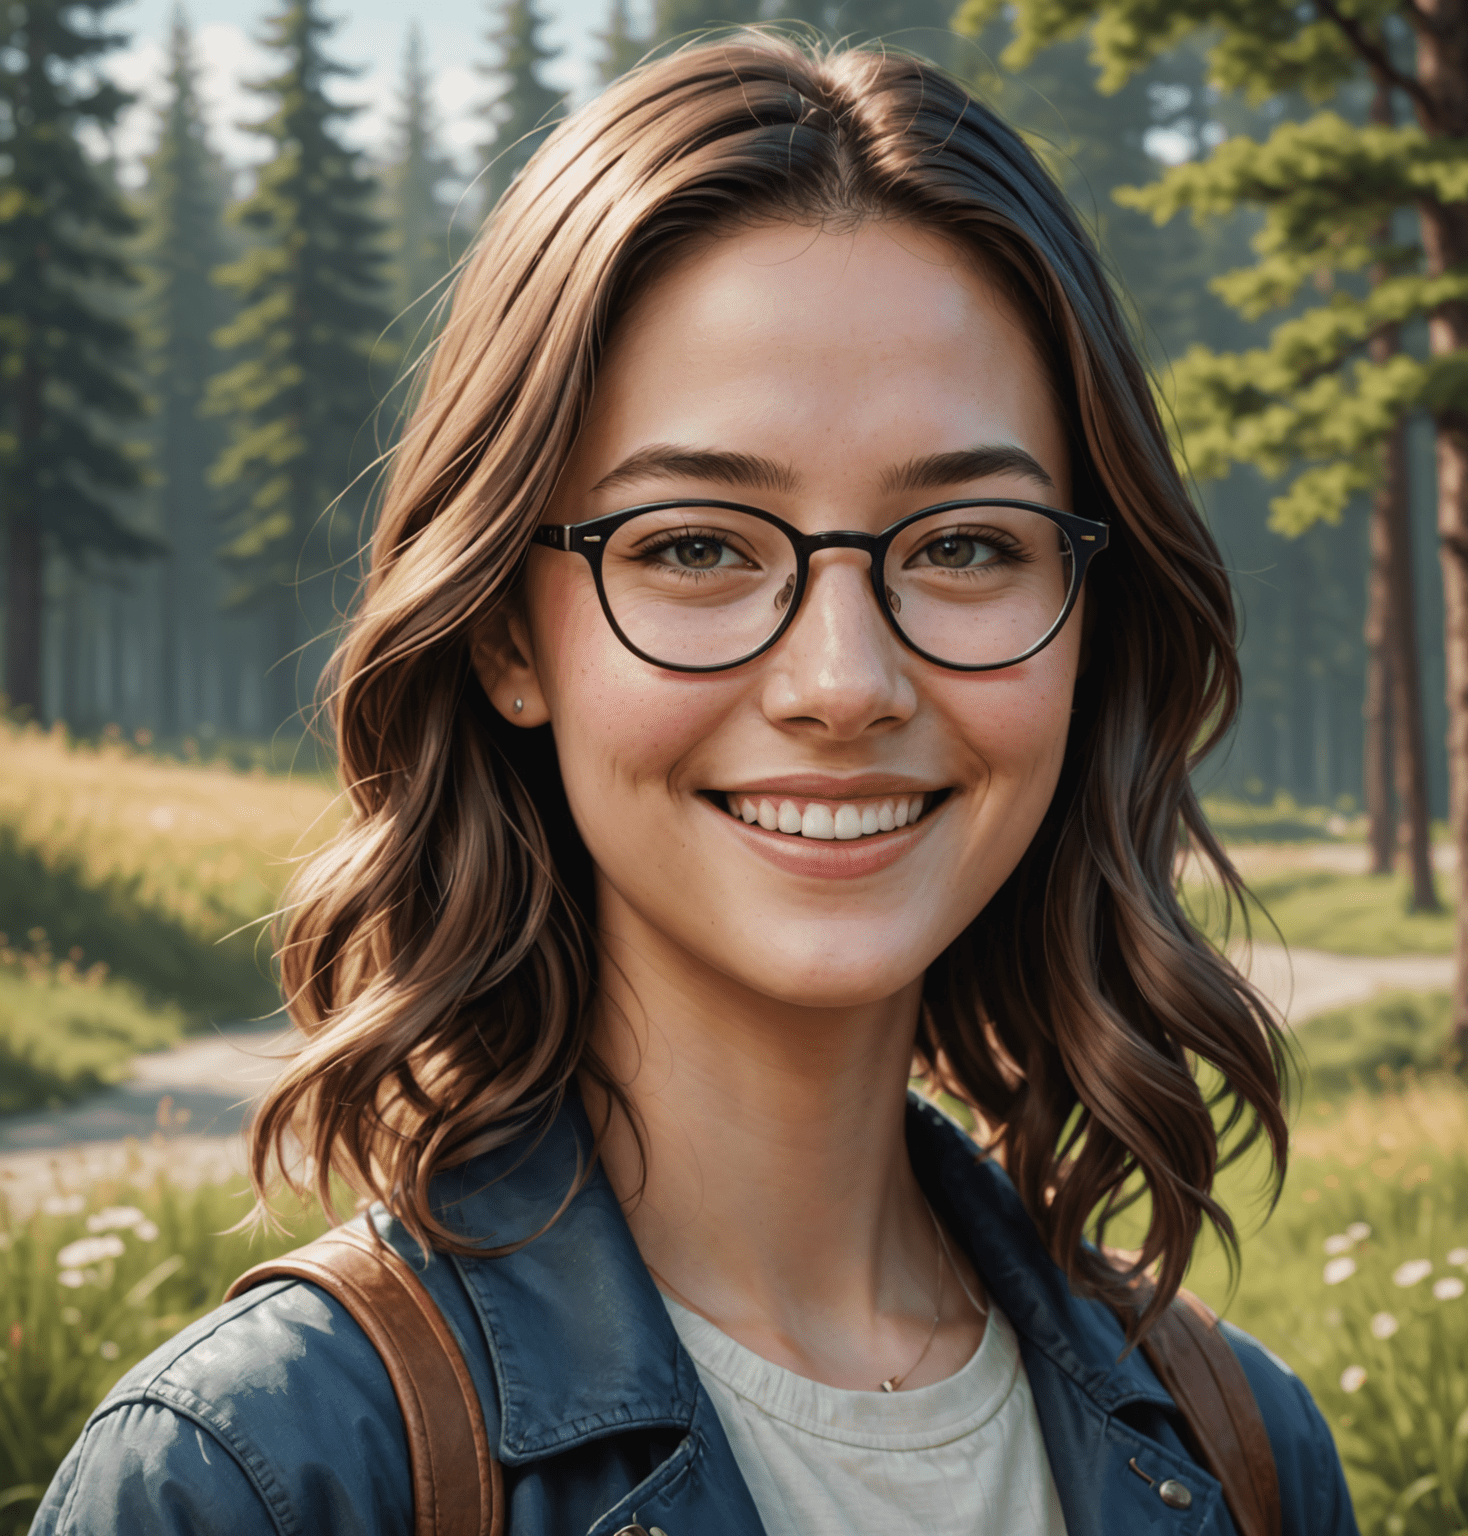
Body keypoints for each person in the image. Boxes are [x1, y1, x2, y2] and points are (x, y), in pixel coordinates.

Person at [32, 33, 1358, 1536]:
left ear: (1089, 619)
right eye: (697, 547)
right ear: (506, 636)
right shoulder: (253, 1481)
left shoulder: (1249, 1456)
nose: (845, 681)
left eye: (967, 544)